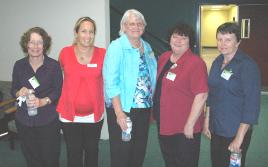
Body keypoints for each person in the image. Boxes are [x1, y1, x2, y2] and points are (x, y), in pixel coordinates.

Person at [103, 9, 157, 167]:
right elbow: (111, 82)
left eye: (140, 23)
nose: (136, 26)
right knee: (122, 152)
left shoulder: (146, 46)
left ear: (144, 27)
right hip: (123, 108)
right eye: (131, 23)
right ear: (124, 26)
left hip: (144, 108)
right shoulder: (116, 47)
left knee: (138, 150)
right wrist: (119, 114)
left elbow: (152, 74)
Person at [203, 22, 261, 167]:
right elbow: (212, 93)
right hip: (216, 127)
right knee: (217, 163)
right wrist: (207, 121)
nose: (223, 44)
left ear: (238, 42)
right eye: (219, 39)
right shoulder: (217, 61)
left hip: (235, 130)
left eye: (228, 39)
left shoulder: (247, 65)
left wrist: (239, 137)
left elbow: (252, 104)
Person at [153, 23, 208, 167]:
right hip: (164, 122)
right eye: (175, 37)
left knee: (186, 162)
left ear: (190, 41)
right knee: (170, 161)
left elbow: (201, 95)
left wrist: (190, 124)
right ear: (169, 39)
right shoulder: (164, 58)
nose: (178, 41)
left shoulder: (196, 63)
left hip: (184, 126)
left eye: (183, 38)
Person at [56, 17, 106, 167]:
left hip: (93, 115)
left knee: (92, 151)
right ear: (76, 33)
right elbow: (55, 77)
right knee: (73, 152)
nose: (88, 35)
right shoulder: (65, 52)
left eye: (91, 32)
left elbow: (112, 79)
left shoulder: (103, 53)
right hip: (69, 115)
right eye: (84, 31)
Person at [11, 27, 63, 167]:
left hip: (48, 121)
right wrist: (18, 92)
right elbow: (13, 89)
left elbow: (58, 91)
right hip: (24, 121)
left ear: (44, 45)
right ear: (26, 44)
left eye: (39, 42)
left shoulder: (54, 66)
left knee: (50, 158)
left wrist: (42, 101)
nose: (35, 46)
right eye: (31, 42)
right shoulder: (19, 65)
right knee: (31, 159)